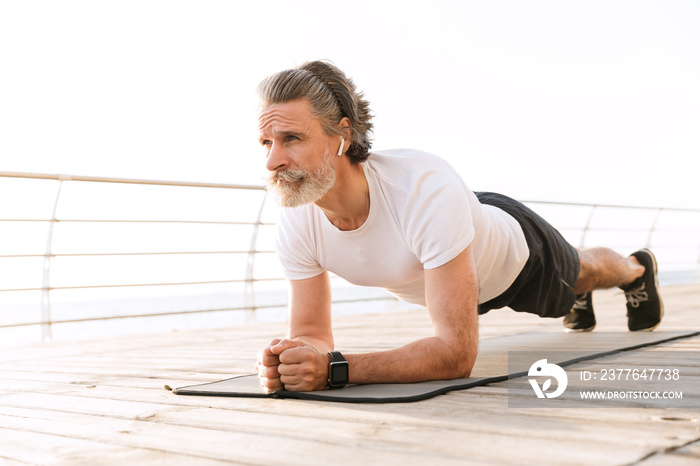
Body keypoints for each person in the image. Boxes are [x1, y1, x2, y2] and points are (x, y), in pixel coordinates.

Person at [254, 60, 664, 393]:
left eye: (291, 138)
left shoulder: (421, 189)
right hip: (456, 238)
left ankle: (636, 268)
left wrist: (335, 370)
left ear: (342, 135)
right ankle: (581, 292)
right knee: (575, 282)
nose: (272, 162)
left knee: (582, 269)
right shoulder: (297, 220)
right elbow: (310, 332)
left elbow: (456, 355)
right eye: (266, 143)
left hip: (516, 258)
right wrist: (296, 358)